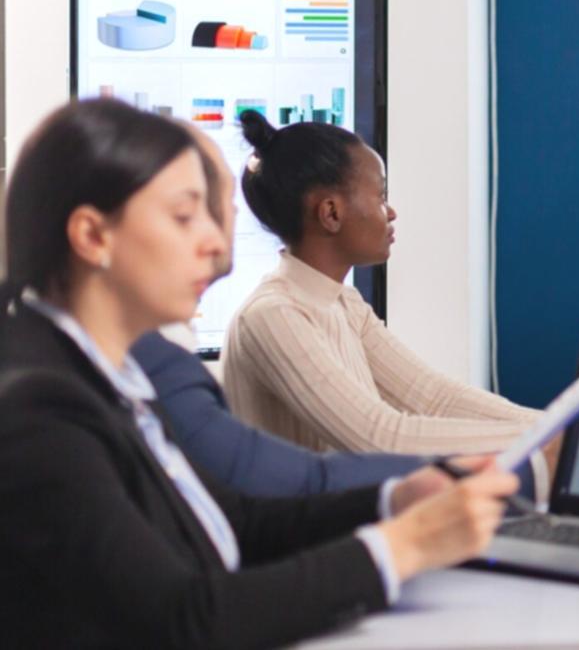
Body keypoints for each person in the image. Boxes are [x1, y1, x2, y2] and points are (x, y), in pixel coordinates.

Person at [0, 99, 518, 648]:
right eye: (184, 217)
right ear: (93, 236)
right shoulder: (40, 411)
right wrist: (403, 547)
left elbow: (230, 524)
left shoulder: (112, 376)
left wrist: (393, 501)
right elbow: (185, 618)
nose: (218, 250)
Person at [133, 126, 545, 501]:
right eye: (381, 195)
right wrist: (547, 439)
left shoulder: (341, 302)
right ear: (330, 213)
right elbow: (381, 436)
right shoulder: (274, 316)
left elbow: (433, 397)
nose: (392, 211)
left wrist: (561, 424)